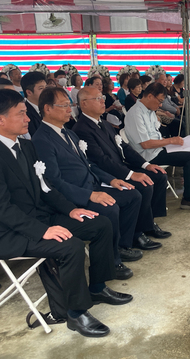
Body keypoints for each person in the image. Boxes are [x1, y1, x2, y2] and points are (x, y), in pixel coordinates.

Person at [0, 89, 132, 338]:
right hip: (11, 233)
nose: (28, 118)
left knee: (100, 224)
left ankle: (98, 287)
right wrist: (43, 231)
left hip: (40, 217)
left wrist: (71, 209)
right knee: (70, 245)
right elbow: (0, 209)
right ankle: (76, 313)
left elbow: (45, 187)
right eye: (21, 113)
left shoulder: (26, 146)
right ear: (0, 119)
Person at [31, 87, 155, 278]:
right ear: (47, 108)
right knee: (110, 208)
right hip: (74, 196)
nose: (69, 110)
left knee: (132, 195)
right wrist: (90, 195)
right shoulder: (42, 139)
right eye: (63, 106)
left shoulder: (68, 133)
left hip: (92, 185)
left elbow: (88, 165)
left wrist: (111, 179)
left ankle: (121, 245)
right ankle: (112, 262)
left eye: (69, 105)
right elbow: (54, 181)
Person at [73, 86, 171, 242]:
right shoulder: (82, 129)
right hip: (108, 174)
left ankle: (148, 222)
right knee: (144, 185)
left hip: (121, 167)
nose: (102, 101)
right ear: (84, 103)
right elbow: (101, 161)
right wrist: (131, 175)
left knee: (158, 175)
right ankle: (136, 234)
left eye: (102, 98)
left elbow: (124, 147)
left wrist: (145, 165)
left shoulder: (104, 123)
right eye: (97, 99)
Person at [124, 82, 190, 211]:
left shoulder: (149, 111)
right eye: (159, 101)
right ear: (150, 96)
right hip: (147, 155)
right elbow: (145, 144)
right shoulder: (136, 114)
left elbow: (155, 135)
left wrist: (170, 142)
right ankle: (188, 199)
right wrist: (170, 141)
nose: (160, 105)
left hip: (157, 149)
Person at [20, 71, 47, 136]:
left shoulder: (48, 108)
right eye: (41, 88)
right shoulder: (25, 113)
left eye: (46, 88)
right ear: (29, 92)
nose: (46, 91)